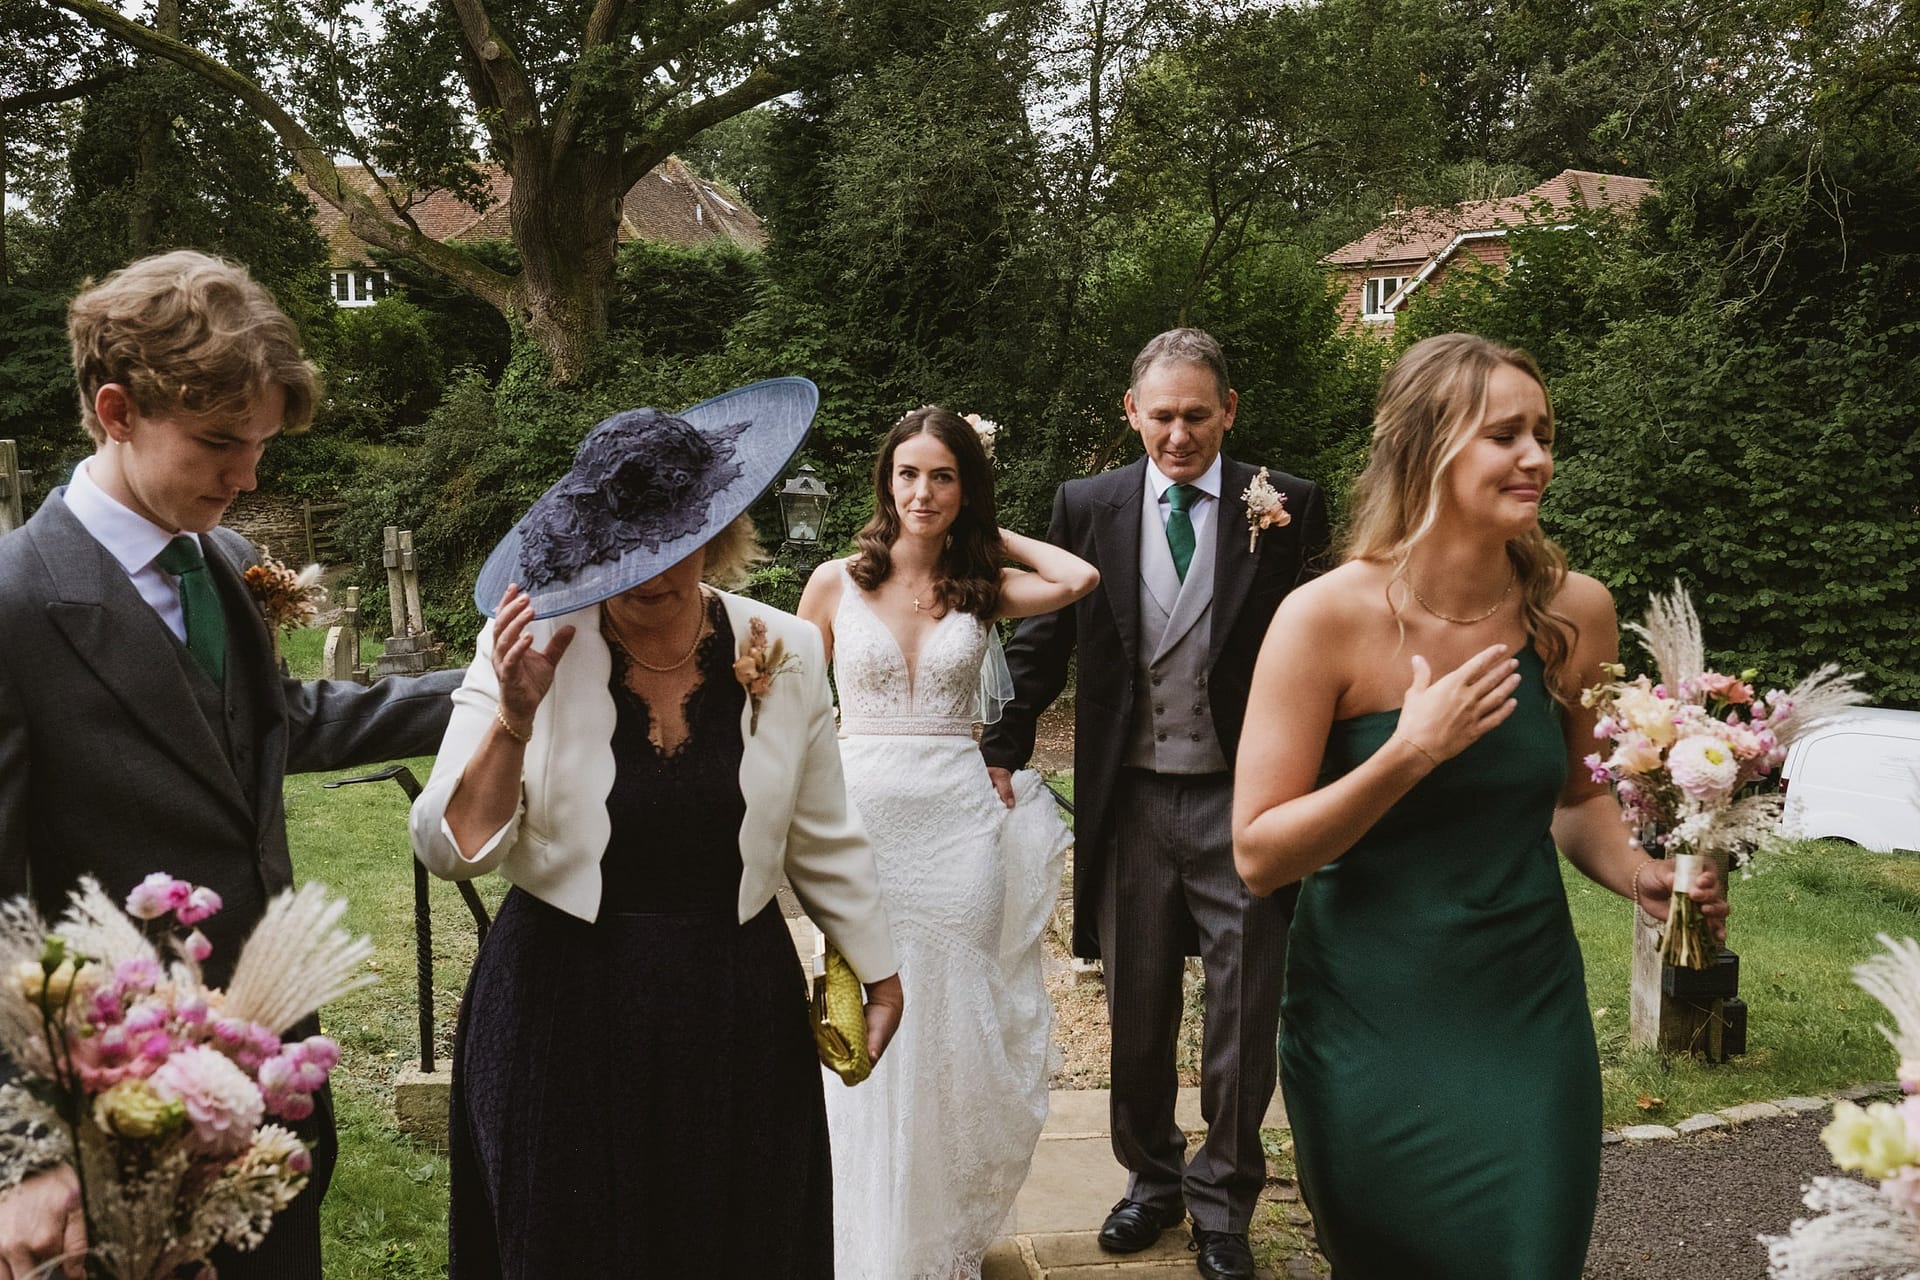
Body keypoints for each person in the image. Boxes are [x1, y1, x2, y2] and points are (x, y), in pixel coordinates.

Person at [0, 249, 461, 1280]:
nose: (248, 474)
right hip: (114, 1100)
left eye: (257, 445)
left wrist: (482, 690)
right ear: (117, 410)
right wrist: (22, 1155)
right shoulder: (17, 603)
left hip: (270, 1068)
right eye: (219, 442)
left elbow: (269, 726)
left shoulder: (218, 555)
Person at [1232, 333, 1729, 1277]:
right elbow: (1259, 855)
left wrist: (1641, 873)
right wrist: (1410, 752)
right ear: (1426, 446)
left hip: (1522, 1014)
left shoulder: (1576, 611)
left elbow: (1579, 800)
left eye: (1543, 432)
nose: (1537, 456)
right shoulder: (1322, 619)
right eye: (1506, 434)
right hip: (1366, 1020)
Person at [410, 378, 902, 1278]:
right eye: (628, 551)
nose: (655, 572)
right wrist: (513, 720)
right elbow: (449, 849)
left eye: (677, 546)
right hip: (562, 1010)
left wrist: (877, 967)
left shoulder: (784, 646)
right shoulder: (526, 643)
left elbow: (824, 834)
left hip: (732, 1012)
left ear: (716, 531)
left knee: (737, 1242)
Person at [979, 330, 1330, 1280]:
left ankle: (1224, 1202)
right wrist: (1003, 751)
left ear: (1229, 412)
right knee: (1136, 1003)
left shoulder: (1287, 504)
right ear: (1131, 414)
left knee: (1242, 1008)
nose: (1179, 434)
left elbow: (1322, 646)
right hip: (1127, 798)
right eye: (1161, 415)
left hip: (1244, 799)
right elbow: (1040, 645)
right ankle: (1149, 1181)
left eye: (1197, 415)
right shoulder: (1086, 506)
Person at [797, 406, 1099, 1279]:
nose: (921, 492)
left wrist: (980, 532)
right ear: (883, 482)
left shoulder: (984, 587)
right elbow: (785, 706)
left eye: (942, 477)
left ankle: (933, 1234)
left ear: (966, 487)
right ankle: (859, 1231)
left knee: (949, 1027)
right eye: (907, 475)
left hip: (958, 829)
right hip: (861, 827)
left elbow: (1077, 577)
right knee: (861, 1014)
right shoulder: (833, 583)